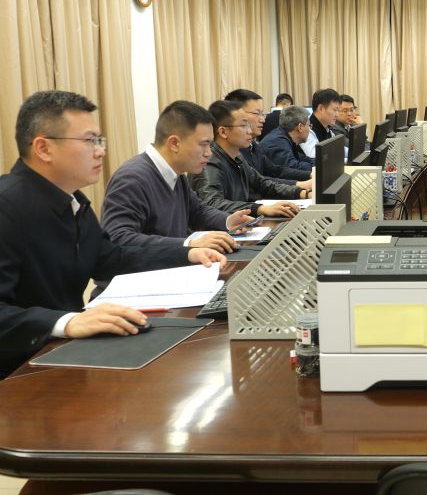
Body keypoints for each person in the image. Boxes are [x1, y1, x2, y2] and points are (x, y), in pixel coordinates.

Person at [0, 91, 226, 378]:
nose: (100, 151)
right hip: (17, 372)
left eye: (100, 140)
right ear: (44, 148)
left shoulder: (73, 201)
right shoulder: (7, 206)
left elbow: (110, 258)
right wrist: (67, 322)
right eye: (89, 141)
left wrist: (187, 253)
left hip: (60, 355)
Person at [102, 100, 254, 254]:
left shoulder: (175, 173)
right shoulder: (132, 179)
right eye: (203, 144)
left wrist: (228, 221)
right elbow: (118, 238)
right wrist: (188, 244)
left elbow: (198, 211)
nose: (209, 152)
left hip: (172, 263)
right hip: (150, 268)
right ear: (174, 143)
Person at [191, 100, 307, 218]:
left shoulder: (237, 157)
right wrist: (260, 209)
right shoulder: (208, 162)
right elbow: (213, 203)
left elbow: (262, 183)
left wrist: (301, 193)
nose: (250, 131)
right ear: (223, 132)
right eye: (244, 126)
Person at [224, 89, 311, 189]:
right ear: (236, 114)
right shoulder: (234, 151)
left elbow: (275, 171)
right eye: (257, 113)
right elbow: (258, 183)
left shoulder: (253, 145)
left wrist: (309, 175)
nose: (263, 119)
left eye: (262, 114)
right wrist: (299, 186)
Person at [260, 105, 315, 172]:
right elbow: (293, 168)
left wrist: (319, 162)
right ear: (300, 127)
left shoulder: (284, 138)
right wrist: (317, 166)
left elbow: (302, 159)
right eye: (309, 125)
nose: (309, 129)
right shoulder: (277, 142)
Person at [302, 88, 341, 159]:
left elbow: (338, 148)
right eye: (335, 110)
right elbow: (314, 155)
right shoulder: (307, 129)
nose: (337, 115)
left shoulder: (327, 128)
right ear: (321, 108)